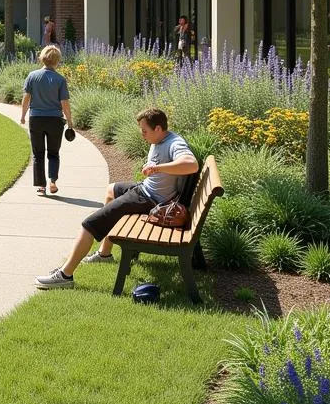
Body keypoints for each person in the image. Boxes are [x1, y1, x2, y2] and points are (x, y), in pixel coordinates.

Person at [34, 107, 199, 289]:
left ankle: (65, 275)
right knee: (111, 190)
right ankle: (105, 254)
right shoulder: (160, 139)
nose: (142, 135)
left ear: (158, 129)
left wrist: (158, 168)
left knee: (90, 224)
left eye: (145, 131)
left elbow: (191, 165)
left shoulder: (175, 143)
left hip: (151, 201)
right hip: (146, 190)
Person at [19, 45, 73, 196]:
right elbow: (65, 103)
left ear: (42, 58)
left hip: (36, 119)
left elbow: (26, 98)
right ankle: (53, 181)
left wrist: (23, 115)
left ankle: (41, 186)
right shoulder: (60, 79)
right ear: (57, 61)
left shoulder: (32, 76)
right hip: (55, 121)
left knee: (38, 153)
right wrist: (69, 121)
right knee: (54, 153)